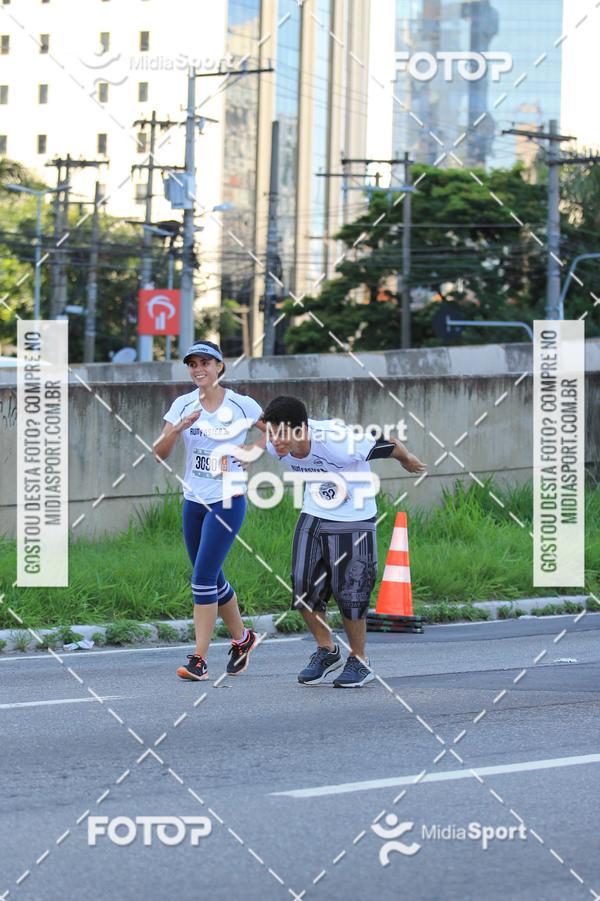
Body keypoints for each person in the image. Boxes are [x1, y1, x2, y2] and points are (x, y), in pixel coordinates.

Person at [261, 396, 426, 688]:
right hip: (315, 510)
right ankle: (327, 651)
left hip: (355, 514)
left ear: (302, 430)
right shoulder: (275, 446)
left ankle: (359, 661)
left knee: (351, 590)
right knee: (302, 587)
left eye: (280, 434)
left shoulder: (339, 441)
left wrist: (407, 458)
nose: (274, 441)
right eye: (271, 432)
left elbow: (387, 443)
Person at [153, 341, 264, 681]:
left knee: (201, 578)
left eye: (205, 363)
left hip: (228, 500)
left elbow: (276, 432)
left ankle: (199, 659)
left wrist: (251, 450)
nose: (198, 369)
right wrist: (177, 429)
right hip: (194, 500)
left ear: (220, 367)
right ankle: (243, 639)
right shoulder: (183, 404)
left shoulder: (242, 404)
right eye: (192, 364)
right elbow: (160, 452)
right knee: (212, 578)